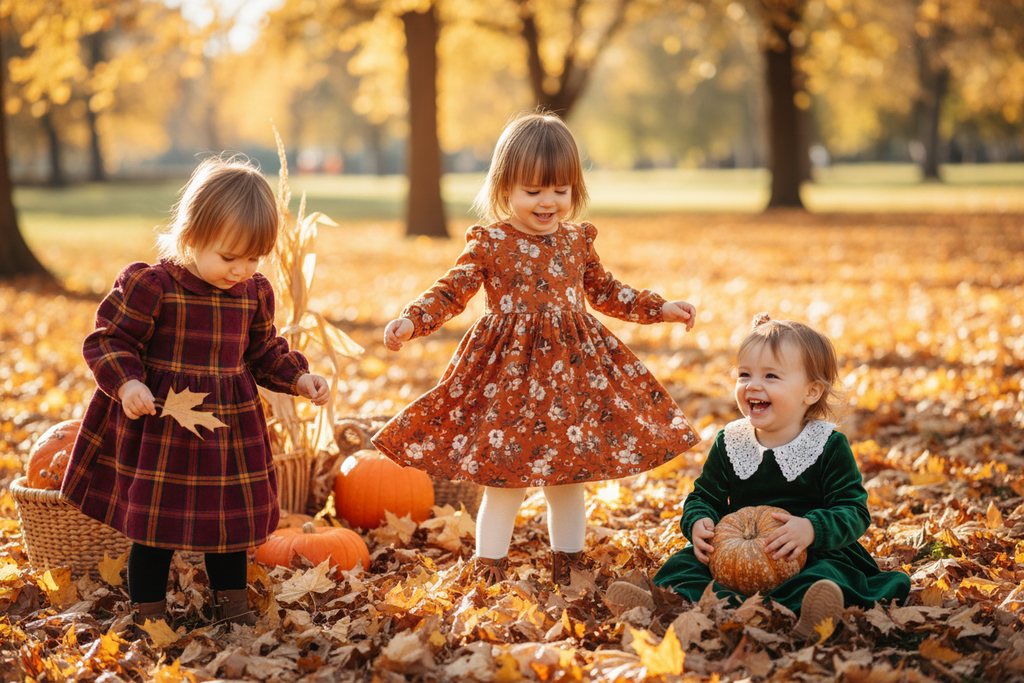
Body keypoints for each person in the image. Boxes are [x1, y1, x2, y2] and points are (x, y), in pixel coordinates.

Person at [371, 111, 701, 586]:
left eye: (560, 190)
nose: (548, 202)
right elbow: (451, 290)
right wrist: (412, 319)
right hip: (507, 379)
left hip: (570, 377)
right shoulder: (491, 242)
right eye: (533, 191)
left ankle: (570, 564)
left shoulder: (576, 241)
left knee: (567, 478)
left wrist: (660, 307)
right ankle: (489, 568)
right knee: (506, 481)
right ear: (505, 188)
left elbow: (606, 291)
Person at [61, 156, 330, 635]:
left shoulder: (253, 293)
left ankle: (230, 605)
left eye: (253, 258)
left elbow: (264, 350)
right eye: (229, 258)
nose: (241, 270)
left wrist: (299, 378)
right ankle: (148, 612)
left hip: (228, 430)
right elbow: (109, 338)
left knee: (228, 526)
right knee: (154, 528)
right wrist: (129, 382)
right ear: (191, 236)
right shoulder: (154, 286)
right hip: (165, 429)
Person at [653, 313, 910, 639]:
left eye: (771, 376)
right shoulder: (730, 441)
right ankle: (678, 606)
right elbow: (705, 496)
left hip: (809, 554)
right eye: (744, 374)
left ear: (811, 392)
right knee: (681, 567)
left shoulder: (827, 445)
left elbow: (853, 511)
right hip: (736, 556)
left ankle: (801, 616)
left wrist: (812, 529)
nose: (752, 385)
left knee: (825, 579)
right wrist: (698, 521)